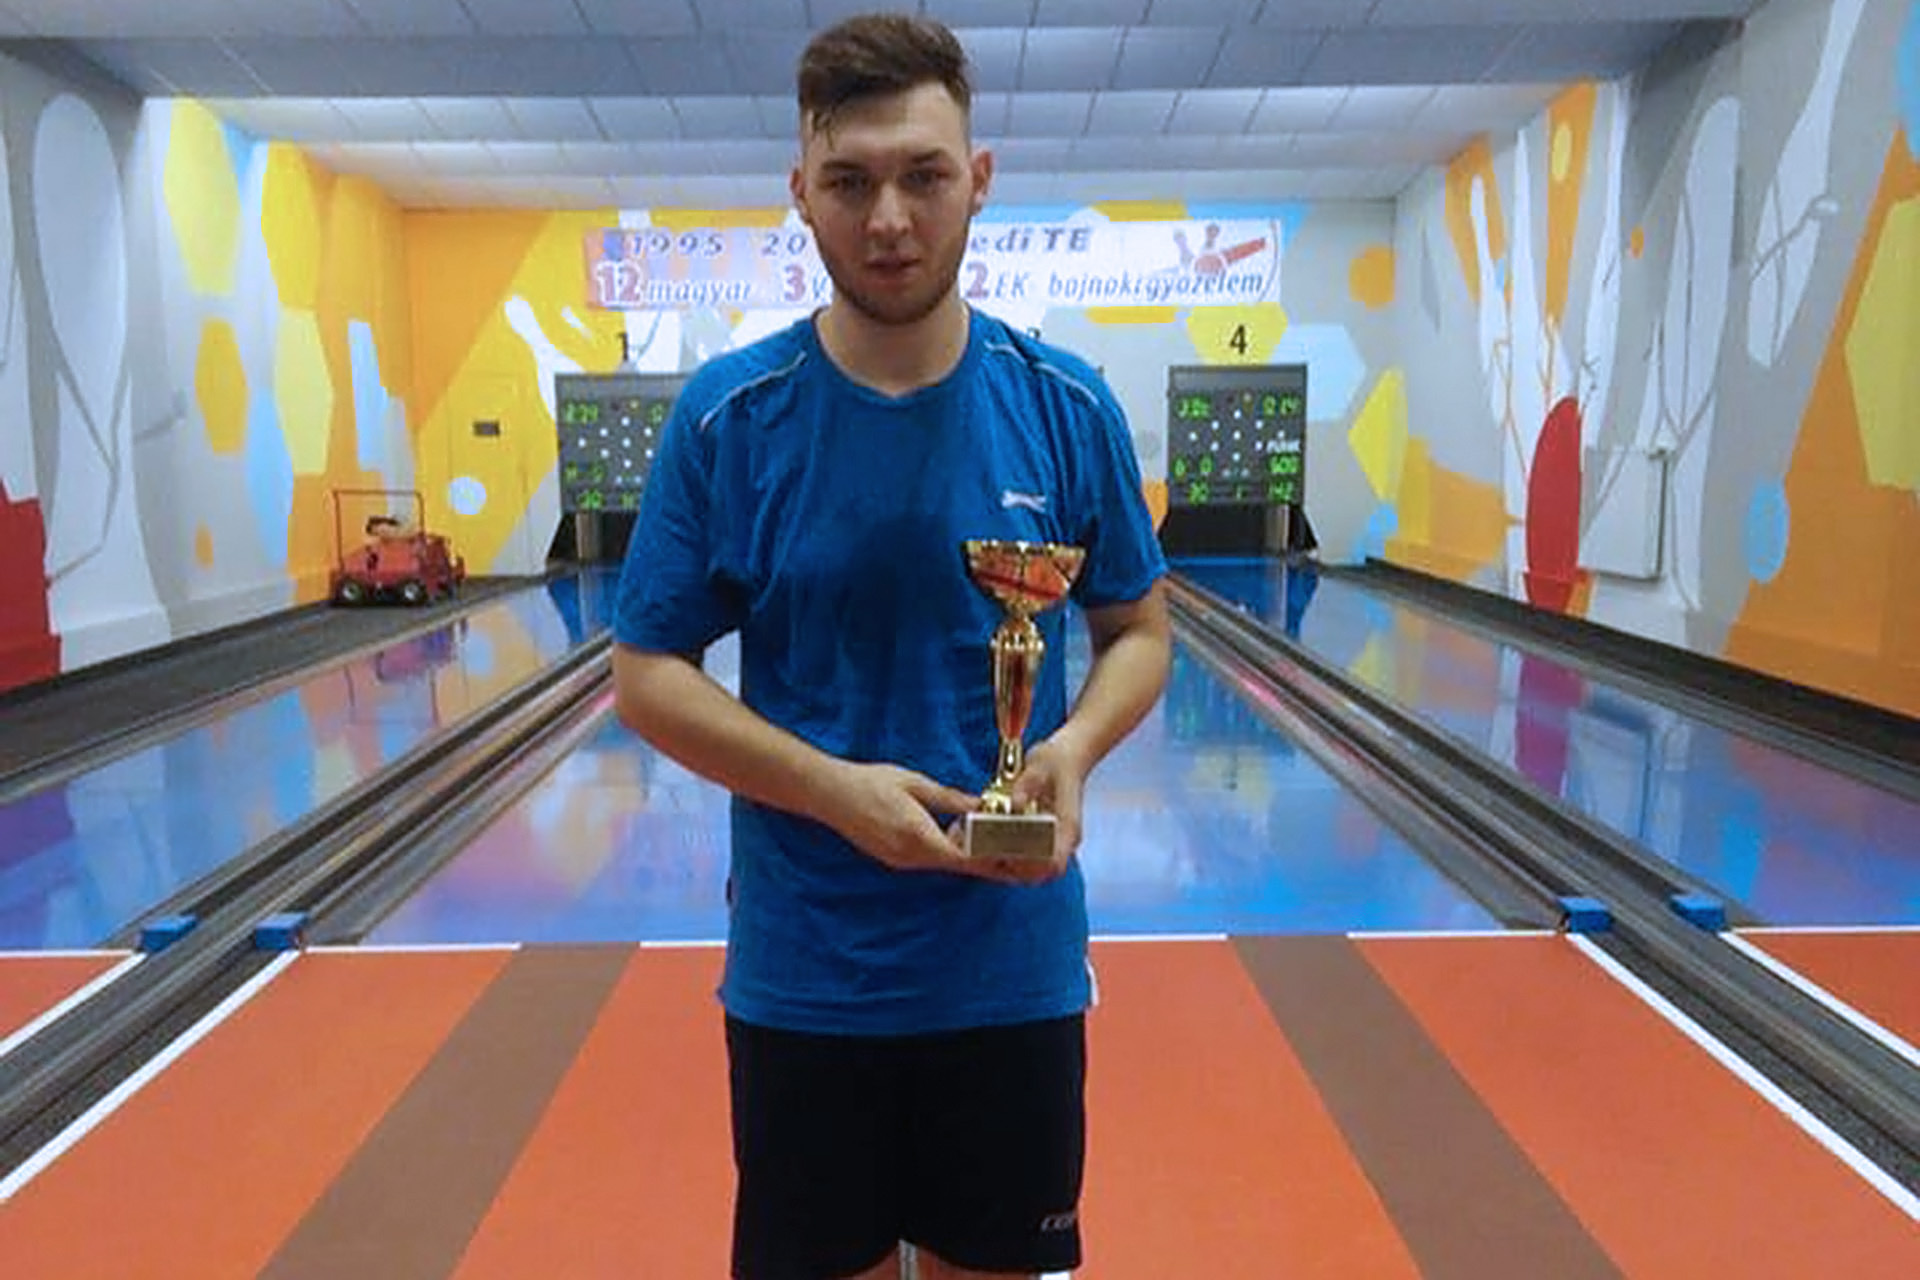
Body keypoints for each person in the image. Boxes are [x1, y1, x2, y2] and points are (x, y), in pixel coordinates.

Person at [611, 12, 1170, 1280]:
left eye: (924, 175)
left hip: (1011, 972)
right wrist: (831, 790)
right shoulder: (729, 417)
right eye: (851, 181)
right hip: (810, 978)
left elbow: (1138, 627)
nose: (890, 219)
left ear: (979, 179)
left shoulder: (1066, 404)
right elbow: (645, 673)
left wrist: (1073, 747)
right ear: (800, 192)